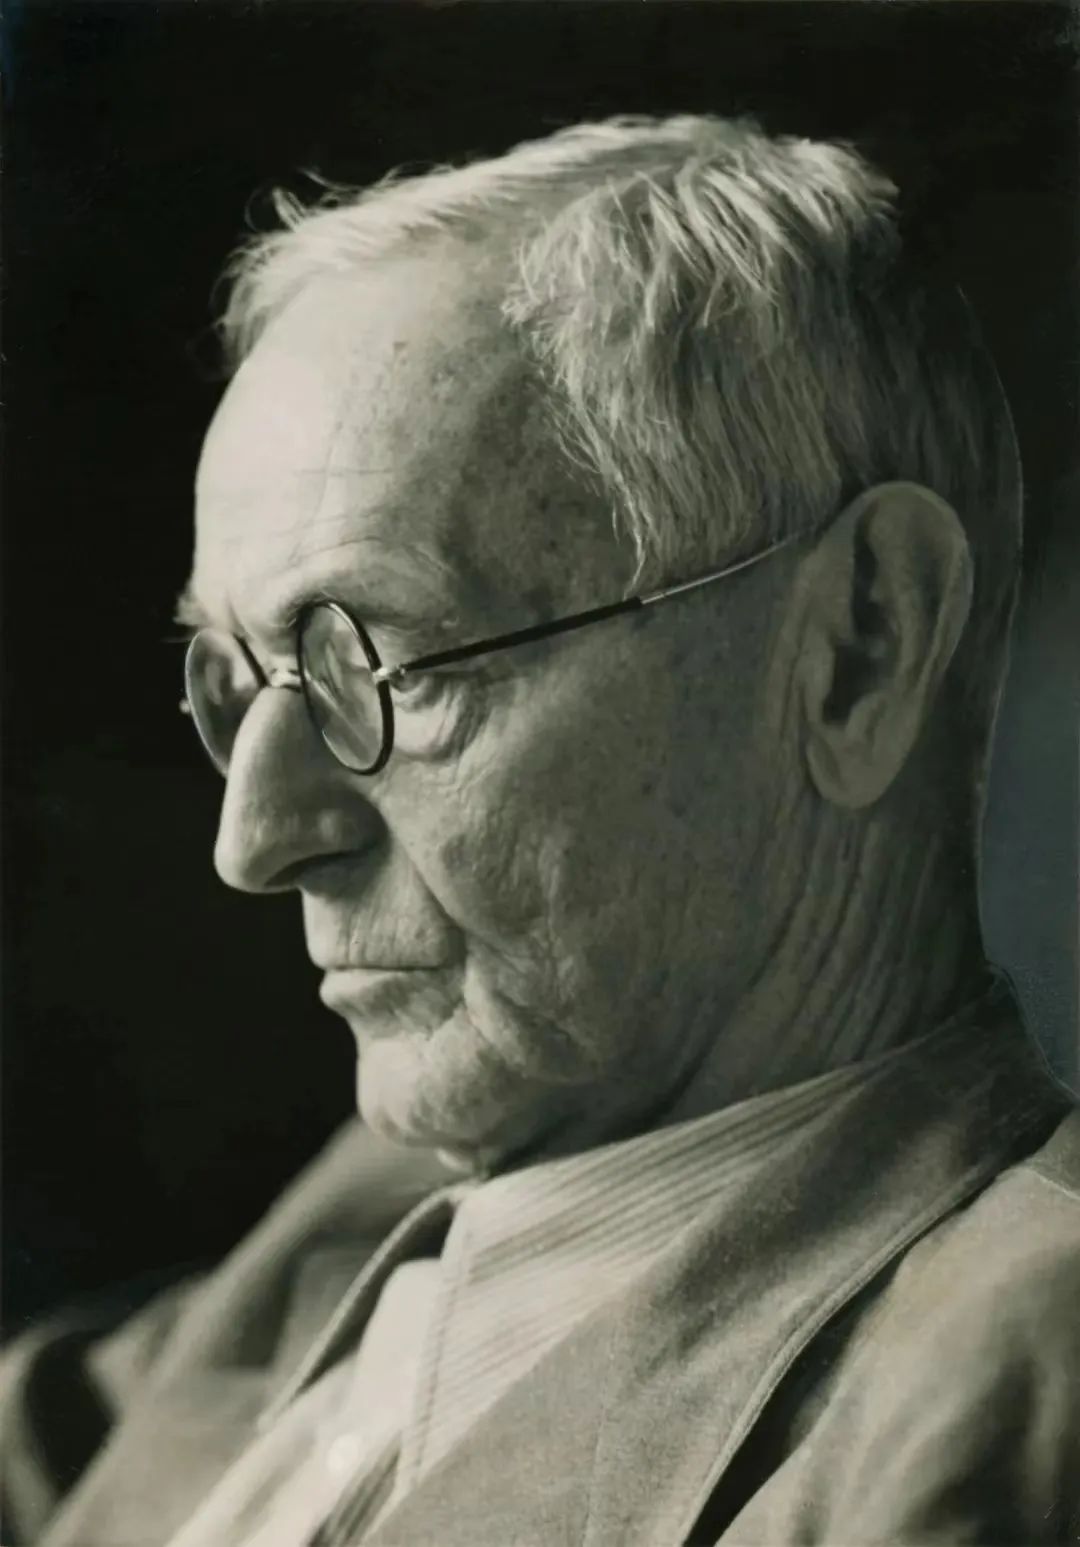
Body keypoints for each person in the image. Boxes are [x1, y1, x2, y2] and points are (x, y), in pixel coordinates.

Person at [3, 114, 1078, 1547]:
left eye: (379, 662)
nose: (255, 842)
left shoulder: (1002, 1389)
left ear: (857, 649)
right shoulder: (373, 1212)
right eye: (243, 679)